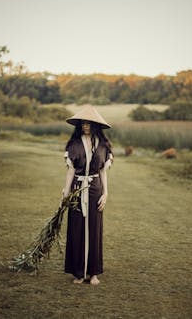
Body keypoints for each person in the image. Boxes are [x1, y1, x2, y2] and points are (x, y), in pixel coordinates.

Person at [62, 105, 113, 285]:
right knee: (76, 229)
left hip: (95, 190)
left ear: (95, 125)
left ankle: (93, 273)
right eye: (83, 123)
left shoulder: (103, 145)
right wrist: (66, 190)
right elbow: (71, 170)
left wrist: (106, 193)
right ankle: (78, 273)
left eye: (88, 123)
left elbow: (102, 172)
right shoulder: (74, 144)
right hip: (77, 188)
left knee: (94, 229)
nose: (85, 126)